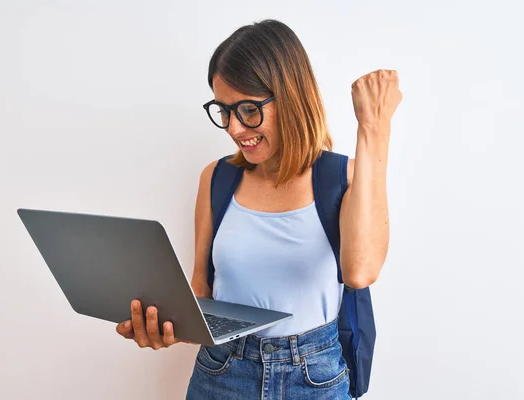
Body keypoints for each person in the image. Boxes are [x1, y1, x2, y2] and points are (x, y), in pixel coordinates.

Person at [116, 19, 401, 399]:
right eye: (224, 110)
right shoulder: (216, 179)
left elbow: (361, 270)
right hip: (221, 374)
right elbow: (200, 293)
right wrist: (163, 327)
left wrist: (374, 127)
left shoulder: (341, 177)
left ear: (291, 98)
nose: (234, 128)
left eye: (248, 109)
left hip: (314, 379)